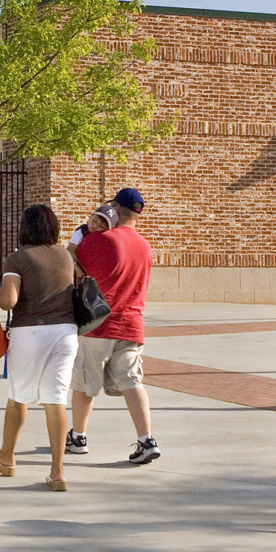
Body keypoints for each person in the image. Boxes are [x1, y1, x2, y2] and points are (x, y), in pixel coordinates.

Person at [0, 204, 79, 491]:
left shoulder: (18, 258)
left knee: (18, 397)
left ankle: (6, 456)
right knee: (56, 399)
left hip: (30, 332)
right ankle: (57, 471)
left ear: (25, 228)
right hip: (66, 332)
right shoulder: (65, 255)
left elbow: (10, 301)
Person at [67, 188, 159, 464]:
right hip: (132, 324)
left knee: (85, 384)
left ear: (114, 209)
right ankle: (146, 440)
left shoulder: (99, 240)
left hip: (97, 324)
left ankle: (78, 437)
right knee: (133, 381)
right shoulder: (145, 246)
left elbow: (70, 265)